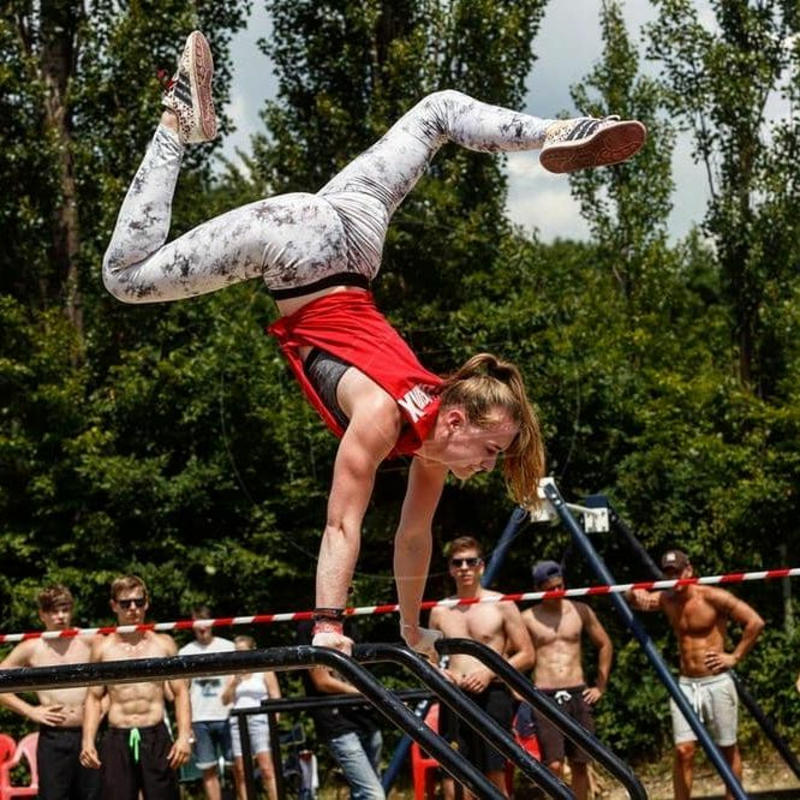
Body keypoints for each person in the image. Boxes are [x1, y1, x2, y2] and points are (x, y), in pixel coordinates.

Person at [102, 31, 647, 655]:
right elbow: (341, 521)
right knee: (125, 280)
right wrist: (329, 623)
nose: (486, 467)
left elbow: (413, 538)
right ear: (459, 417)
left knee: (439, 111)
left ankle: (558, 130)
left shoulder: (431, 439)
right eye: (492, 449)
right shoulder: (384, 417)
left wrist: (411, 628)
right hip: (299, 250)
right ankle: (177, 118)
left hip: (357, 237)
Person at [627, 549, 765, 800]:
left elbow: (755, 622)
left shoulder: (712, 596)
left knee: (727, 750)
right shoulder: (667, 599)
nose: (673, 578)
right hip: (686, 684)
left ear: (688, 570)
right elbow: (638, 601)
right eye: (668, 573)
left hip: (717, 681)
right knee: (684, 751)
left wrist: (734, 656)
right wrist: (630, 593)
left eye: (677, 572)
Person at [429, 536, 534, 799]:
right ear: (451, 569)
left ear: (481, 566)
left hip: (493, 696)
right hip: (454, 697)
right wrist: (441, 673)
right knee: (453, 775)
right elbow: (426, 658)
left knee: (493, 774)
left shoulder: (501, 604)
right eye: (458, 562)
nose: (464, 567)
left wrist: (489, 672)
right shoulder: (440, 611)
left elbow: (527, 654)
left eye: (471, 561)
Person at [79, 575, 192, 800]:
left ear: (146, 603)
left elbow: (180, 693)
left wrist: (184, 736)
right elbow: (93, 697)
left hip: (155, 734)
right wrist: (87, 740)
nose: (133, 608)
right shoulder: (103, 647)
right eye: (125, 603)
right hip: (117, 736)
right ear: (114, 606)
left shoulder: (163, 643)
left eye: (138, 602)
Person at [520, 560, 612, 800]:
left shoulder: (580, 610)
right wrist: (515, 689)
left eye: (560, 586)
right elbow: (513, 655)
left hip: (577, 692)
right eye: (551, 588)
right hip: (545, 695)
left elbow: (605, 644)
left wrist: (600, 686)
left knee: (581, 762)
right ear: (539, 589)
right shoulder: (528, 617)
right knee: (553, 765)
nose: (557, 592)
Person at [0, 584, 102, 800]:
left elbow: (120, 679)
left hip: (90, 735)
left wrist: (103, 710)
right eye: (54, 611)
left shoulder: (89, 640)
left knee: (93, 796)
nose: (60, 616)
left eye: (65, 610)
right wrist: (30, 711)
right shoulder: (33, 647)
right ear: (42, 614)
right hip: (53, 737)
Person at [296, 620, 385, 799]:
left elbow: (361, 673)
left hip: (365, 718)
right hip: (335, 720)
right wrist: (367, 693)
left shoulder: (351, 626)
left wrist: (375, 695)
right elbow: (322, 682)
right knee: (373, 795)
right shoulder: (308, 628)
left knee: (365, 792)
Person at [177, 605, 235, 800]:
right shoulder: (185, 651)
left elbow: (240, 676)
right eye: (197, 624)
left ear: (212, 623)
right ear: (192, 625)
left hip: (227, 714)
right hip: (199, 719)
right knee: (207, 769)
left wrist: (231, 688)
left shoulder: (227, 646)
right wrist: (186, 724)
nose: (202, 628)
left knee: (238, 767)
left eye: (205, 623)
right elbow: (181, 690)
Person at [220, 635, 282, 800]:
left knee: (266, 768)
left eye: (242, 651)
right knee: (240, 770)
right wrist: (234, 683)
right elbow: (224, 700)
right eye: (236, 651)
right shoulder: (233, 674)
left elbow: (275, 697)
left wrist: (274, 723)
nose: (239, 654)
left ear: (252, 650)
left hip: (260, 720)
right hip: (237, 722)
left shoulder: (264, 670)